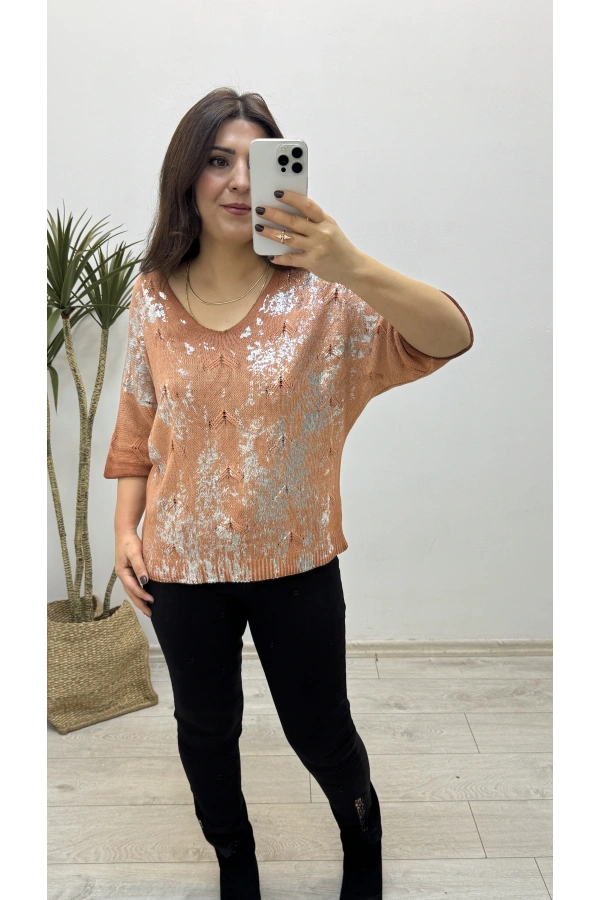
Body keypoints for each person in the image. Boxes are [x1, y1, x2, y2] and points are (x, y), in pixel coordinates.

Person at [104, 87, 474, 900]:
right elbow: (138, 423)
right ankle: (234, 859)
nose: (240, 180)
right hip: (181, 567)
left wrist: (348, 263)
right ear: (186, 176)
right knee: (205, 731)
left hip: (296, 563)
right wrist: (126, 530)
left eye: (257, 160)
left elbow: (450, 335)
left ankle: (363, 839)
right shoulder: (152, 294)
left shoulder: (323, 301)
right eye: (217, 160)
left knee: (321, 732)